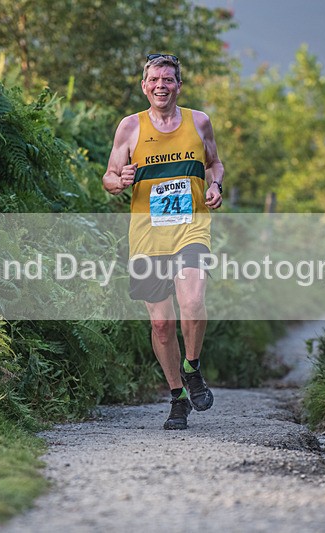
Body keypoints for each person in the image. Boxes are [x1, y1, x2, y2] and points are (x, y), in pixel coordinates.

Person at [103, 53, 224, 430]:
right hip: (147, 236)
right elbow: (108, 176)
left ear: (178, 85)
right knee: (160, 325)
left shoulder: (198, 122)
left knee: (193, 301)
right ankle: (177, 397)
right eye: (154, 79)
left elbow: (214, 164)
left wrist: (216, 185)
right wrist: (118, 180)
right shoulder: (130, 127)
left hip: (191, 229)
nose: (161, 85)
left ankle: (192, 367)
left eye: (168, 79)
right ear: (144, 86)